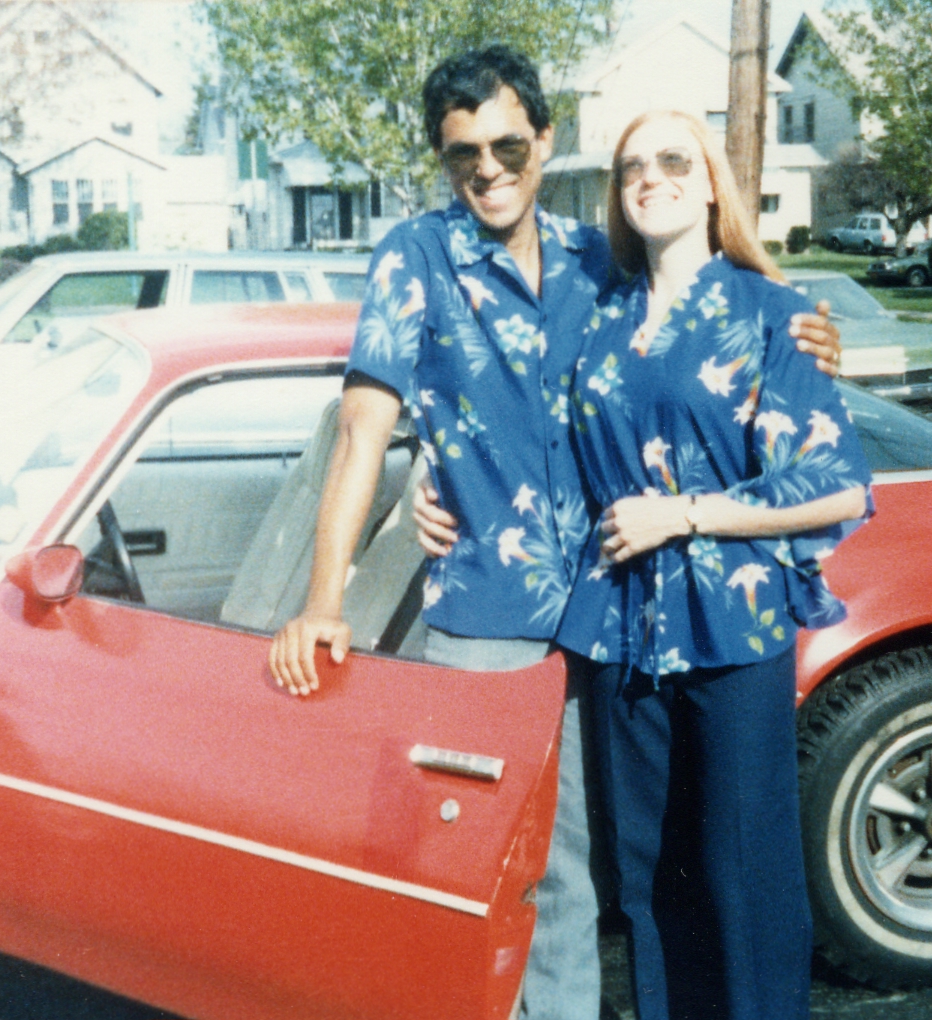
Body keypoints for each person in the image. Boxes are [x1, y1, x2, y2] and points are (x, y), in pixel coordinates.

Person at [268, 47, 842, 1020]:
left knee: (585, 865)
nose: (488, 169)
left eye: (506, 145)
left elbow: (705, 336)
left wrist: (810, 335)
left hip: (614, 610)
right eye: (464, 154)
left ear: (543, 139)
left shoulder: (597, 258)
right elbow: (363, 429)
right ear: (443, 159)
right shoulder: (415, 257)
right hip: (485, 614)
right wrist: (327, 601)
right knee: (484, 865)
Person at [553, 109, 872, 1020]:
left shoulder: (772, 312)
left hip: (732, 626)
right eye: (630, 167)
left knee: (743, 872)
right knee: (649, 876)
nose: (649, 178)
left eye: (672, 161)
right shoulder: (600, 318)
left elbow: (837, 486)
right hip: (620, 631)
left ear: (709, 186)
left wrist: (683, 515)